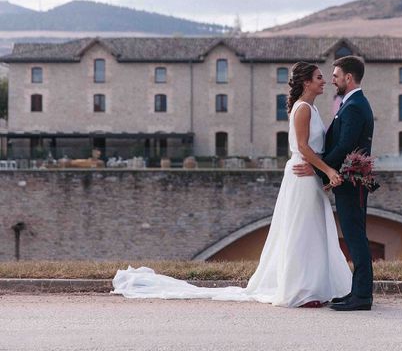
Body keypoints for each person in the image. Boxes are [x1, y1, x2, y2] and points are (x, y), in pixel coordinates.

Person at [112, 62, 352, 308]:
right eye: (319, 77)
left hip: (309, 174)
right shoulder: (303, 109)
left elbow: (315, 148)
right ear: (306, 82)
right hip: (301, 176)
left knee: (313, 232)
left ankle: (313, 287)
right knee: (302, 232)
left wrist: (321, 173)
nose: (324, 81)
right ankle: (301, 290)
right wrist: (329, 171)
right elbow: (302, 147)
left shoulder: (312, 109)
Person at [293, 55, 375, 311]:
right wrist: (324, 168)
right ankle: (357, 292)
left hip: (351, 181)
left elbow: (344, 146)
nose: (333, 79)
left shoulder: (354, 106)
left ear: (348, 78)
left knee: (355, 237)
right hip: (347, 180)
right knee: (353, 236)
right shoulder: (351, 103)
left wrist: (321, 169)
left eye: (337, 75)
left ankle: (362, 297)